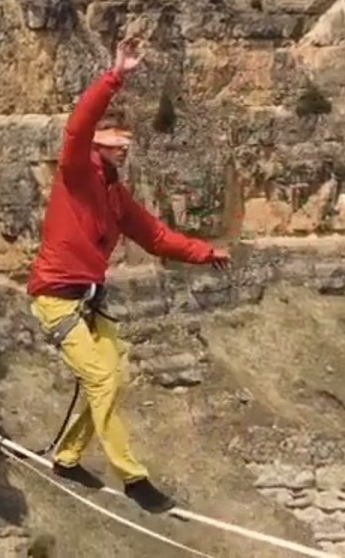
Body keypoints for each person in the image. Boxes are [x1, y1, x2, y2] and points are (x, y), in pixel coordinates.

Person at [25, 35, 231, 514]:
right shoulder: (76, 175)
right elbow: (76, 129)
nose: (126, 147)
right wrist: (115, 75)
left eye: (126, 140)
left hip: (87, 302)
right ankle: (135, 479)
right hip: (57, 297)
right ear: (99, 143)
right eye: (117, 139)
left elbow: (157, 238)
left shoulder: (116, 197)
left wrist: (207, 253)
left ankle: (69, 457)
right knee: (101, 378)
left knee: (112, 378)